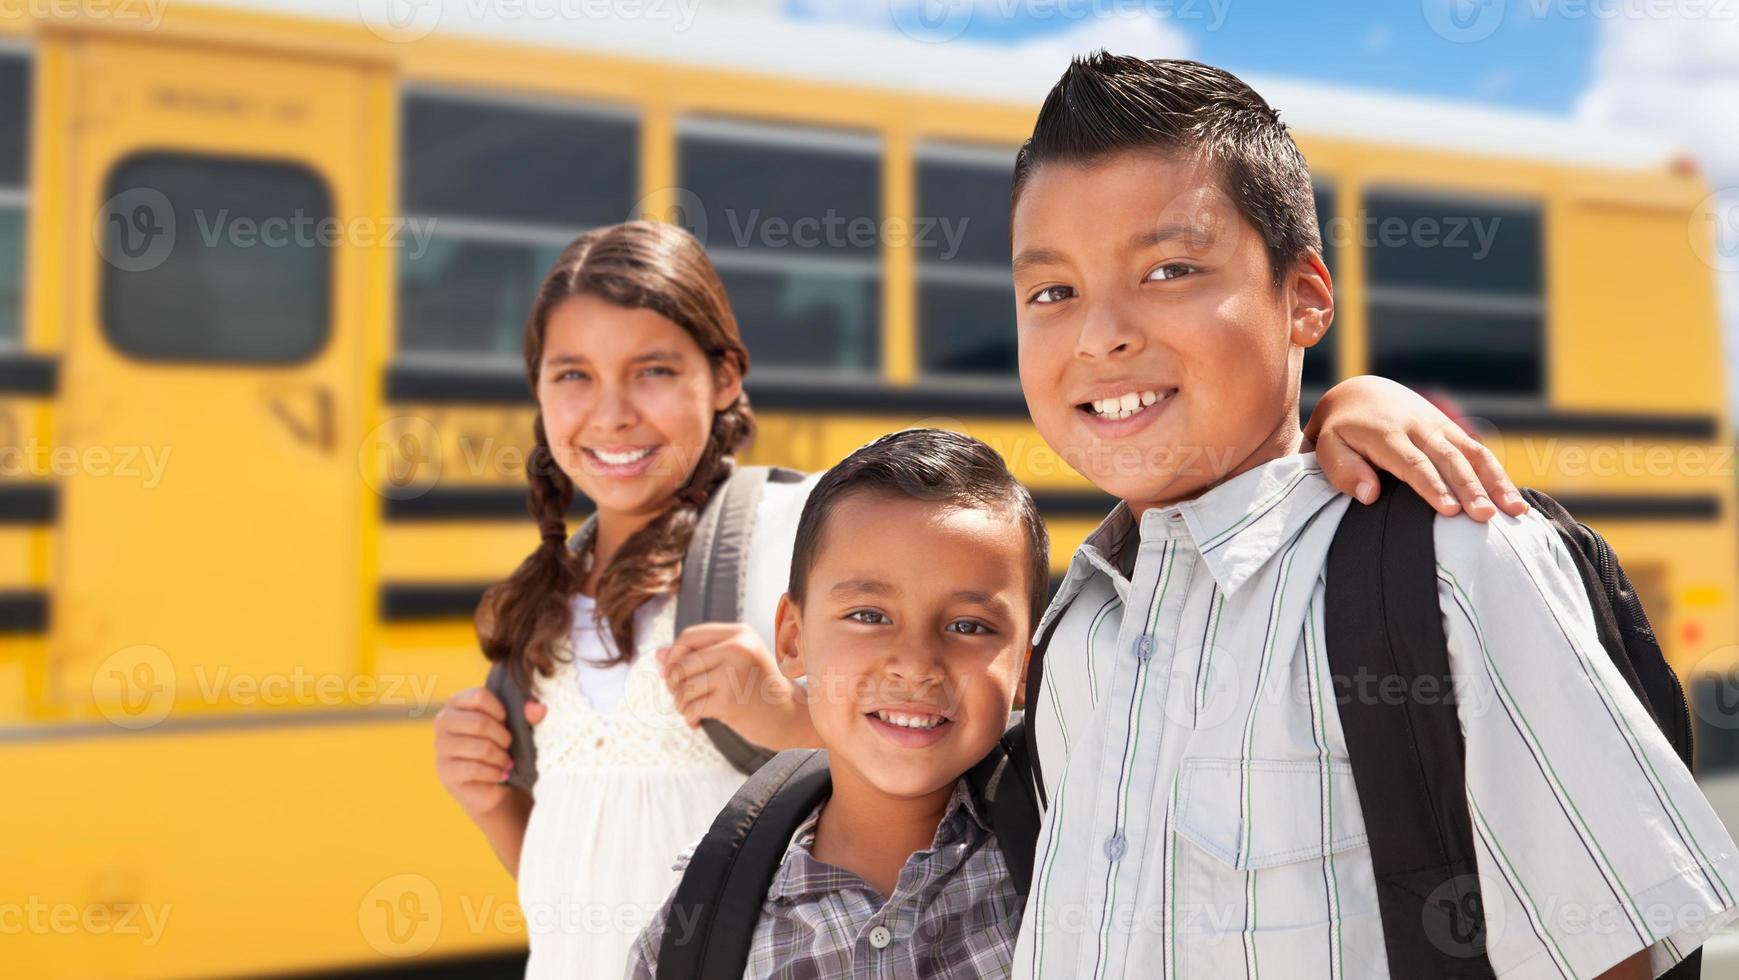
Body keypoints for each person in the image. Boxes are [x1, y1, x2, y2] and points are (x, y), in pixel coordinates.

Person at [432, 219, 1528, 978]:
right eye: (570, 374)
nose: (610, 411)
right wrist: (496, 806)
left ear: (726, 377)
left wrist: (1344, 398)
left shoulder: (789, 529)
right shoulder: (541, 603)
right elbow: (578, 866)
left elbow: (929, 606)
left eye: (653, 369)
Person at [1007, 53, 1739, 979]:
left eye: (1170, 269)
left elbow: (1605, 959)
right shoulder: (1077, 635)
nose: (1096, 333)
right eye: (1049, 292)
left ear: (1304, 299)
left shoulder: (1449, 566)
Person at [625, 427, 1046, 977]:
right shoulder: (698, 924)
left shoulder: (1072, 870)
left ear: (1025, 667)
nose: (916, 664)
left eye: (969, 626)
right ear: (793, 639)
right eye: (869, 616)